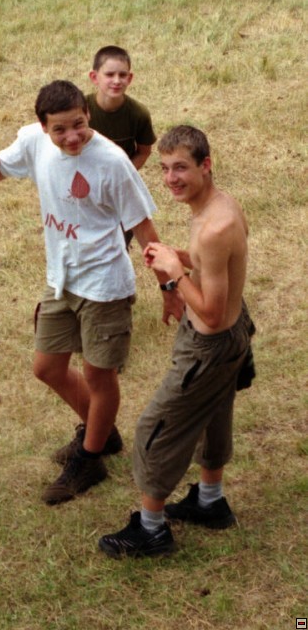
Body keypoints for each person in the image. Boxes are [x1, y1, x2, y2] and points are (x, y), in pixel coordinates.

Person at [0, 80, 180, 506]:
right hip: (61, 280)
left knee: (100, 377)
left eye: (78, 124)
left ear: (88, 115)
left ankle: (90, 458)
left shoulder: (112, 162)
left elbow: (143, 229)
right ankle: (103, 433)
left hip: (105, 286)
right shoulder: (34, 142)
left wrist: (168, 286)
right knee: (46, 368)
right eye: (60, 129)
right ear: (43, 126)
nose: (72, 136)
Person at [98, 125, 256, 558]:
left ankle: (152, 530)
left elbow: (211, 313)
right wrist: (182, 258)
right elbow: (215, 265)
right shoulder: (222, 205)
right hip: (232, 338)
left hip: (209, 346)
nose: (171, 178)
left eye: (181, 168)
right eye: (165, 168)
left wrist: (174, 272)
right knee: (213, 414)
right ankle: (210, 501)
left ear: (206, 165)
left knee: (156, 429)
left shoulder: (213, 228)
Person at [87, 45, 157, 247]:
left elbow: (144, 152)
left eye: (122, 75)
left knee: (119, 243)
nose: (116, 81)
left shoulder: (138, 114)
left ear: (130, 78)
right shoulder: (81, 109)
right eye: (109, 74)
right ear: (94, 77)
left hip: (120, 189)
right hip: (85, 186)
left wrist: (121, 175)